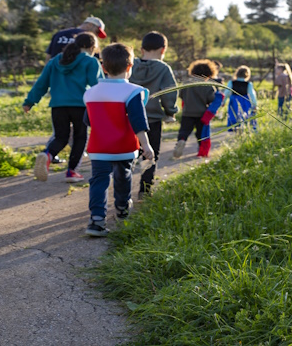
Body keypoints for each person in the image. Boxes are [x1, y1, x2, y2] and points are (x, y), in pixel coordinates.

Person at [83, 43, 154, 237]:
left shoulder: (90, 93)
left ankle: (96, 220)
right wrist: (146, 145)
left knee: (98, 181)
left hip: (99, 147)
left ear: (103, 67)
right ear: (130, 67)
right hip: (123, 147)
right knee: (123, 176)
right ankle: (122, 208)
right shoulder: (132, 92)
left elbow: (88, 120)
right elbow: (138, 121)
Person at [23, 33, 101, 183]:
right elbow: (98, 85)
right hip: (80, 107)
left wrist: (29, 102)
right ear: (92, 47)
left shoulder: (55, 61)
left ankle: (48, 155)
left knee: (61, 137)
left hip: (58, 106)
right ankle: (72, 172)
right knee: (80, 138)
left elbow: (42, 83)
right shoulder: (90, 62)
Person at [42, 17, 107, 164]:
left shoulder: (59, 35)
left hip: (59, 89)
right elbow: (95, 79)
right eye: (97, 31)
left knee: (60, 132)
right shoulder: (88, 42)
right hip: (80, 96)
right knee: (80, 134)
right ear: (90, 25)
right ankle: (73, 163)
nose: (96, 35)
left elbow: (48, 58)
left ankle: (49, 153)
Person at [129, 31, 178, 198]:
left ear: (142, 50)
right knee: (151, 154)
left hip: (128, 117)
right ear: (163, 50)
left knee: (128, 153)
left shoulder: (131, 64)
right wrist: (170, 111)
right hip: (152, 118)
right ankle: (145, 189)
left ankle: (123, 188)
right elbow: (169, 92)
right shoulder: (163, 68)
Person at [174, 59, 218, 159]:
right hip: (201, 114)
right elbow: (211, 99)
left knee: (184, 130)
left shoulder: (187, 83)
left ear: (193, 71)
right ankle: (201, 150)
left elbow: (181, 95)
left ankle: (181, 140)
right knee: (200, 133)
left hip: (187, 112)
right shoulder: (208, 85)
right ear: (209, 74)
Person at [224, 65, 258, 131]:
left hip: (234, 100)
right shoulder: (248, 84)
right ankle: (245, 126)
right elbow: (252, 94)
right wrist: (254, 105)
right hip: (245, 100)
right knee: (245, 114)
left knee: (234, 114)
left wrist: (223, 101)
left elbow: (227, 92)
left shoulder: (231, 82)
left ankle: (234, 127)